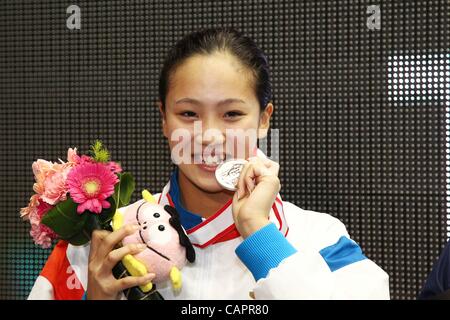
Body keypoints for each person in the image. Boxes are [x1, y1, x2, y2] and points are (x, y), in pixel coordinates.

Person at [28, 27, 389, 300]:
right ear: (164, 120)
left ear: (264, 120)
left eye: (232, 113)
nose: (209, 136)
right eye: (188, 113)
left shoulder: (321, 238)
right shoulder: (105, 241)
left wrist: (260, 235)